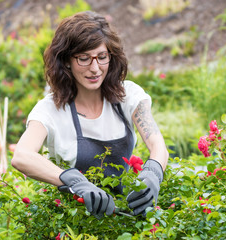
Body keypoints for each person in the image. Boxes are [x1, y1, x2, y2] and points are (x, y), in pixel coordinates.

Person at [11, 11, 168, 218]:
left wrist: (153, 171)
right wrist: (74, 181)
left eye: (102, 57)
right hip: (74, 224)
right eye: (84, 59)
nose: (95, 69)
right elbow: (22, 156)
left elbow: (158, 145)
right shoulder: (51, 109)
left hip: (126, 220)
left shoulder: (127, 95)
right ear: (66, 61)